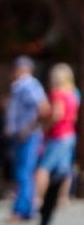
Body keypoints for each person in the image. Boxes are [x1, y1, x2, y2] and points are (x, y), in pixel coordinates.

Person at [4, 55, 50, 222]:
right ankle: (25, 208)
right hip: (22, 135)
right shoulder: (19, 87)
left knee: (24, 172)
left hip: (27, 136)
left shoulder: (29, 85)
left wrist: (28, 129)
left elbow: (44, 108)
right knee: (22, 172)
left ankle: (22, 210)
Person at [34, 63, 78, 212]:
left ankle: (38, 197)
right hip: (70, 133)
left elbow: (57, 114)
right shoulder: (74, 94)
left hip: (58, 135)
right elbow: (75, 116)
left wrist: (44, 127)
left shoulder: (57, 93)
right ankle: (63, 197)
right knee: (64, 168)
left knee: (43, 168)